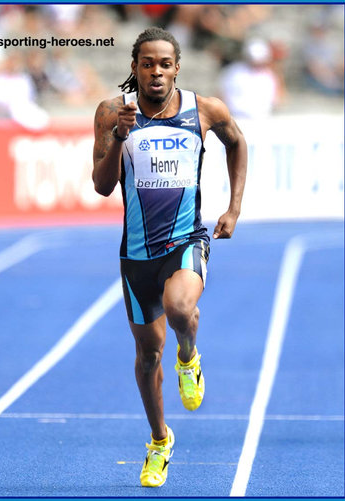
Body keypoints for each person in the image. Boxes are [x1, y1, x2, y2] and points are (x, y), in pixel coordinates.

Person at [92, 27, 247, 488]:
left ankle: (189, 355)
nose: (155, 72)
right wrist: (120, 137)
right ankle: (160, 441)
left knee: (181, 308)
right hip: (136, 254)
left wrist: (234, 207)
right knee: (145, 356)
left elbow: (236, 141)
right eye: (146, 63)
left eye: (164, 64)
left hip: (186, 240)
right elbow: (101, 185)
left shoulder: (206, 110)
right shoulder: (112, 113)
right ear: (135, 67)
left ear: (177, 67)